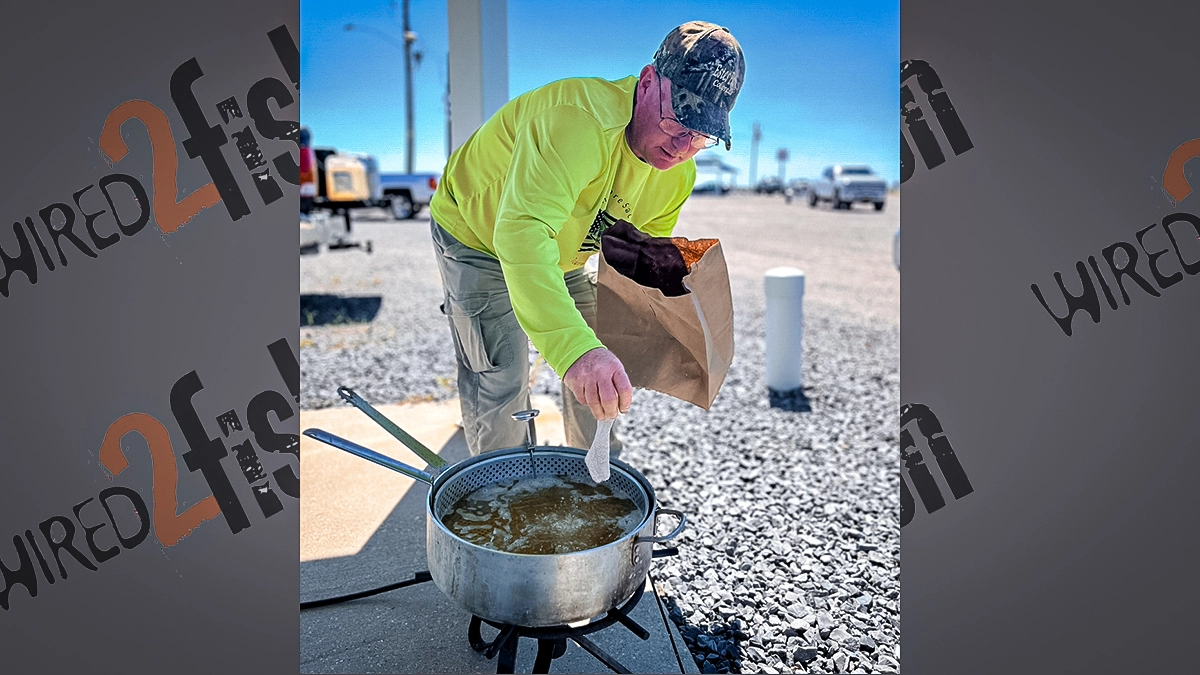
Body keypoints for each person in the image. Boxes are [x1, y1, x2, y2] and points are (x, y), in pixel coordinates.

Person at [429, 21, 745, 456]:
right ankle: (500, 496)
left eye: (701, 134)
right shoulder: (575, 120)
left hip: (564, 253)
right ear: (648, 82)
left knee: (605, 357)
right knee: (502, 373)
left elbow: (632, 262)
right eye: (678, 120)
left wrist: (652, 329)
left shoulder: (677, 176)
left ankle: (597, 476)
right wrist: (575, 352)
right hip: (477, 235)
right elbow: (522, 233)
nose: (681, 146)